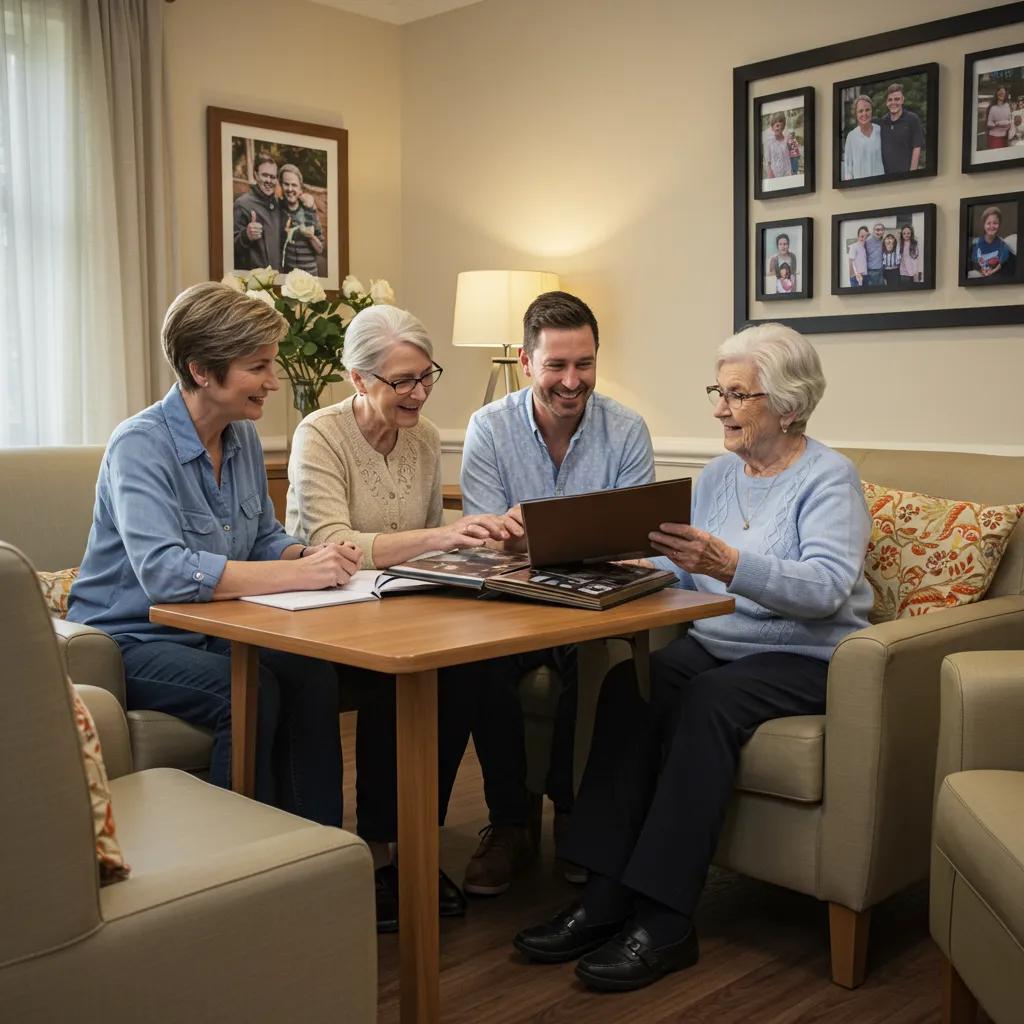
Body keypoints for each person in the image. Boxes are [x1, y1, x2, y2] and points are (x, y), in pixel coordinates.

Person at [513, 323, 871, 993]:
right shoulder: (715, 476)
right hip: (719, 642)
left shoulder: (828, 478)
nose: (719, 408)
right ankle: (603, 895)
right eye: (719, 391)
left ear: (787, 405)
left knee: (707, 703)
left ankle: (667, 918)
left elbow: (824, 589)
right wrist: (613, 557)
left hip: (807, 656)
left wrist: (730, 564)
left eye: (737, 395)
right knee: (631, 687)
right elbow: (680, 567)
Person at [67, 282, 361, 825]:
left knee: (312, 673)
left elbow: (263, 536)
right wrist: (293, 572)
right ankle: (246, 854)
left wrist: (310, 555)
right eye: (259, 367)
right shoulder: (139, 445)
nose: (273, 382)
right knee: (249, 692)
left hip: (214, 629)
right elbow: (165, 574)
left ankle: (316, 851)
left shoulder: (240, 435)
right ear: (203, 370)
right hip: (126, 638)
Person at [286, 303, 513, 930]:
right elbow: (333, 541)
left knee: (462, 668)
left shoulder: (424, 434)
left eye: (425, 376)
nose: (418, 393)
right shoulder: (319, 433)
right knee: (398, 675)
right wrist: (443, 538)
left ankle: (412, 845)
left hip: (394, 603)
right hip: (320, 608)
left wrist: (477, 537)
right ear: (358, 380)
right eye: (401, 381)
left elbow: (423, 534)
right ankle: (379, 855)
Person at [459, 290, 655, 895]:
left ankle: (576, 815)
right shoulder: (488, 429)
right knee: (479, 665)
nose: (573, 381)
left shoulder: (626, 430)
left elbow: (635, 544)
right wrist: (565, 537)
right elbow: (486, 540)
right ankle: (511, 824)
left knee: (589, 659)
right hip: (512, 603)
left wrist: (535, 533)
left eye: (585, 364)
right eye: (557, 366)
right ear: (525, 361)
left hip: (596, 603)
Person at [232, 154, 287, 271]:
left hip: (278, 280)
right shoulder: (242, 204)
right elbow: (229, 249)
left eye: (273, 177)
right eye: (265, 175)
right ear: (256, 175)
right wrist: (246, 236)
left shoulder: (279, 206)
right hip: (254, 283)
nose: (269, 180)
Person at [279, 164, 324, 274]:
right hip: (287, 277)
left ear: (300, 188)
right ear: (281, 185)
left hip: (309, 277)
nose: (290, 189)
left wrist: (311, 236)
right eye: (286, 184)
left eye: (294, 185)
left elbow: (320, 249)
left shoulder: (309, 210)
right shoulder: (278, 210)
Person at [878, 82, 924, 174]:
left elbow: (917, 148)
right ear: (886, 102)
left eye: (897, 99)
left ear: (903, 100)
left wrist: (912, 174)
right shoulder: (882, 122)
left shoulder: (912, 119)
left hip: (906, 176)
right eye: (890, 100)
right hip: (886, 179)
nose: (893, 102)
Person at [842, 94, 884, 180]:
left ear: (872, 111)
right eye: (860, 111)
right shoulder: (851, 136)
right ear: (856, 114)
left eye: (867, 110)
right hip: (860, 188)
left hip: (880, 185)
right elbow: (848, 167)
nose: (864, 114)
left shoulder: (880, 130)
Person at [970, 206, 1013, 278]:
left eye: (995, 223)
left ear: (999, 225)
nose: (992, 226)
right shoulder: (975, 244)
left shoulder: (1003, 245)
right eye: (988, 223)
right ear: (984, 225)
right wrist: (981, 270)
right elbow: (973, 262)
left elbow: (1002, 264)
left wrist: (992, 271)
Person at [761, 114, 792, 180]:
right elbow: (767, 161)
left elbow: (791, 157)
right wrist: (770, 174)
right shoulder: (769, 142)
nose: (777, 127)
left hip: (787, 174)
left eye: (780, 125)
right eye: (775, 125)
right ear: (772, 128)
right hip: (774, 175)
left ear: (783, 127)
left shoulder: (787, 140)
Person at [865, 222, 885, 286]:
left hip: (881, 270)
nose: (879, 232)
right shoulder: (867, 241)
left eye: (881, 230)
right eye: (877, 230)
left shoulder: (883, 241)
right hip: (871, 271)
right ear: (873, 231)